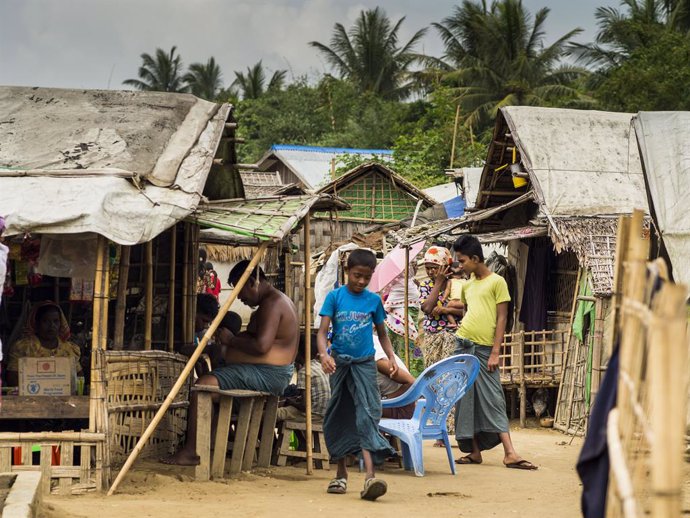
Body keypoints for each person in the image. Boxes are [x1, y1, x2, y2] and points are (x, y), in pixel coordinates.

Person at [164, 261, 299, 466]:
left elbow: (262, 346)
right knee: (213, 379)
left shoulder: (272, 304)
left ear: (252, 282)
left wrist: (231, 341)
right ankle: (207, 442)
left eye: (240, 290)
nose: (239, 297)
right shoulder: (276, 301)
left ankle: (191, 450)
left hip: (269, 374)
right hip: (269, 371)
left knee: (202, 386)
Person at [452, 235, 538, 470]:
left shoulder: (497, 281)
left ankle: (510, 453)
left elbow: (502, 318)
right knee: (465, 399)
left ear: (475, 258)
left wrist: (495, 351)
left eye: (462, 261)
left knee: (493, 399)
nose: (460, 266)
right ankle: (474, 452)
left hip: (484, 349)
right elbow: (467, 313)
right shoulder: (467, 285)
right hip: (462, 345)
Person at [317, 248, 397, 501]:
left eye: (366, 277)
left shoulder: (373, 301)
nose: (361, 281)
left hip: (365, 366)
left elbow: (383, 334)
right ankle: (340, 475)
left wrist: (391, 357)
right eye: (356, 275)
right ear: (347, 272)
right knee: (340, 415)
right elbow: (321, 333)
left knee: (367, 415)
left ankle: (370, 477)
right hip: (340, 366)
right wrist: (325, 355)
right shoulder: (334, 297)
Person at [7, 301, 82, 387]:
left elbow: (79, 376)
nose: (51, 326)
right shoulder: (23, 347)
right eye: (45, 321)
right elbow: (12, 377)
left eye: (56, 321)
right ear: (37, 323)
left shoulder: (69, 349)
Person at [277, 333, 330, 423]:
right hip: (325, 414)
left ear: (298, 352)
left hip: (312, 415)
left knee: (272, 414)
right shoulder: (320, 366)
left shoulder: (305, 372)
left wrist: (290, 402)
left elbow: (305, 406)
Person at [380, 266, 423, 377]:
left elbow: (387, 307)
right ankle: (410, 377)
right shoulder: (409, 284)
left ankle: (408, 377)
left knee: (402, 353)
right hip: (400, 324)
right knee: (406, 353)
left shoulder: (403, 284)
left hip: (402, 326)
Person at [373, 334, 416, 419]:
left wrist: (385, 399)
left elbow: (412, 382)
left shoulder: (377, 361)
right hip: (387, 404)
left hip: (399, 408)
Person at [441, 262, 468, 328]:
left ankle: (455, 323)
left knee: (446, 309)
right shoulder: (451, 281)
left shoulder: (465, 280)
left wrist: (444, 298)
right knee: (447, 310)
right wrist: (444, 297)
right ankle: (455, 323)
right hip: (459, 302)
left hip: (457, 302)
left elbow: (448, 290)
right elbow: (447, 290)